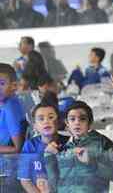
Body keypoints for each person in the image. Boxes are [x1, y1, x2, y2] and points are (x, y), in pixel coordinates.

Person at [45, 100, 113, 192]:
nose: (77, 122)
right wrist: (49, 158)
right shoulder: (60, 146)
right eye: (72, 119)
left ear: (90, 123)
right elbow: (53, 183)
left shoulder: (104, 143)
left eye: (82, 119)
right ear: (67, 122)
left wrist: (91, 162)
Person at [18, 102, 69, 193]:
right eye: (41, 119)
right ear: (35, 126)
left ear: (59, 122)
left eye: (51, 117)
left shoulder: (69, 142)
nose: (46, 121)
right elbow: (25, 180)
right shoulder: (29, 146)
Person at [0, 63, 27, 192]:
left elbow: (17, 147)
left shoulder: (9, 108)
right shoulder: (10, 102)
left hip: (6, 171)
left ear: (14, 85)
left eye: (1, 83)